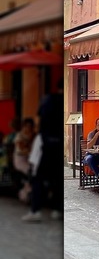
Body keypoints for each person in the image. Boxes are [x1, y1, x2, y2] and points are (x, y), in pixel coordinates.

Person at [23, 77, 64, 222]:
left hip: (46, 143)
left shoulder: (48, 100)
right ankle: (57, 210)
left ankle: (36, 211)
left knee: (38, 178)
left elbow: (38, 120)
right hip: (59, 144)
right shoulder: (61, 102)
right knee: (57, 179)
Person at [14, 118, 36, 203]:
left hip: (30, 159)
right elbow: (21, 149)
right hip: (20, 160)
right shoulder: (20, 136)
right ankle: (26, 191)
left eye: (30, 126)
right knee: (31, 171)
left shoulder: (33, 135)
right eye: (27, 126)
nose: (28, 128)